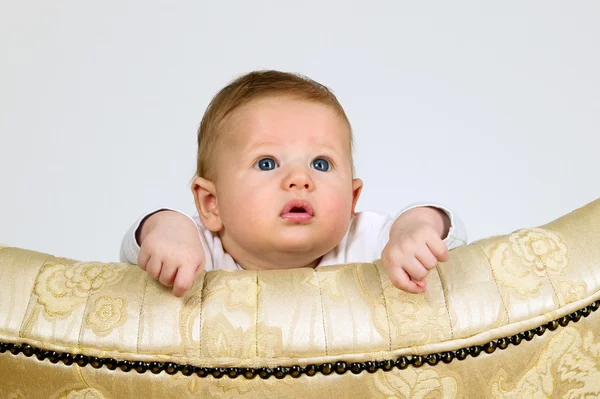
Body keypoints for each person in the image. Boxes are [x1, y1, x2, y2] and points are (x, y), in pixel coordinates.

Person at [120, 70, 467, 297]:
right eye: (267, 163)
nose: (300, 179)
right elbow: (138, 250)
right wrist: (168, 230)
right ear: (212, 204)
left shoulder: (363, 242)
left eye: (321, 163)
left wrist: (414, 231)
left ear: (351, 199)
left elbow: (448, 233)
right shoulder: (201, 251)